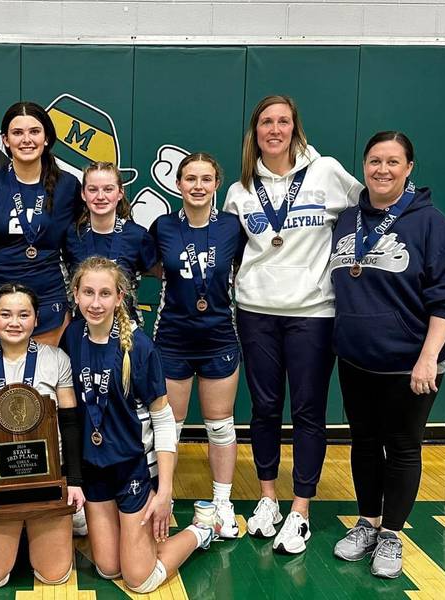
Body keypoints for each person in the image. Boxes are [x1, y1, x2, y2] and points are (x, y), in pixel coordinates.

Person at [223, 94, 363, 554]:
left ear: (295, 128)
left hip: (313, 313)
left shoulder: (325, 172)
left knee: (307, 412)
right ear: (255, 132)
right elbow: (229, 247)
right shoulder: (241, 189)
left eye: (284, 121)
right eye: (267, 122)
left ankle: (300, 509)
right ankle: (268, 499)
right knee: (263, 408)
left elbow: (371, 209)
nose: (275, 129)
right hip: (257, 311)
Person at [329, 132, 445, 578]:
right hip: (356, 359)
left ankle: (391, 533)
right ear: (363, 166)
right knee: (365, 444)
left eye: (392, 162)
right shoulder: (348, 218)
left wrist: (429, 356)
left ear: (409, 168)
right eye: (373, 161)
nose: (381, 170)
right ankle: (367, 522)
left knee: (403, 446)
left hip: (411, 363)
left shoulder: (429, 222)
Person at [60, 256, 217, 593]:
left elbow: (163, 421)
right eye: (88, 292)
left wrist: (165, 492)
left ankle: (202, 529)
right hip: (94, 469)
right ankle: (135, 542)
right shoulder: (72, 337)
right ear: (75, 294)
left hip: (134, 470)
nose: (96, 302)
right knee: (107, 568)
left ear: (120, 297)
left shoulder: (139, 347)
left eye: (105, 293)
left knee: (139, 580)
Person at [0, 283, 84, 588]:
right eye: (5, 314)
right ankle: (23, 531)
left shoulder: (57, 359)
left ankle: (44, 527)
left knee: (54, 576)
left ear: (36, 319)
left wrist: (75, 482)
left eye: (23, 314)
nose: (14, 322)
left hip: (47, 481)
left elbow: (69, 424)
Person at [149, 153, 243, 539]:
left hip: (219, 336)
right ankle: (163, 497)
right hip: (172, 337)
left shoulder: (233, 228)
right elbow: (156, 268)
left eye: (206, 178)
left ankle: (222, 501)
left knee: (220, 426)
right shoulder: (164, 226)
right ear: (178, 184)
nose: (198, 186)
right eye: (190, 178)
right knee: (169, 425)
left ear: (217, 183)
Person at [0, 102, 82, 349]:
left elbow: (80, 243)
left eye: (34, 131)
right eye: (17, 133)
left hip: (47, 299)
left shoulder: (68, 186)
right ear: (5, 139)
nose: (27, 139)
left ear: (46, 138)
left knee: (42, 386)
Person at [63, 161, 157, 323]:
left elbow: (159, 274)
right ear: (83, 194)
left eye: (108, 189)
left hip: (126, 329)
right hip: (82, 329)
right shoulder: (71, 235)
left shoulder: (138, 236)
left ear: (120, 193)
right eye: (93, 189)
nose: (100, 196)